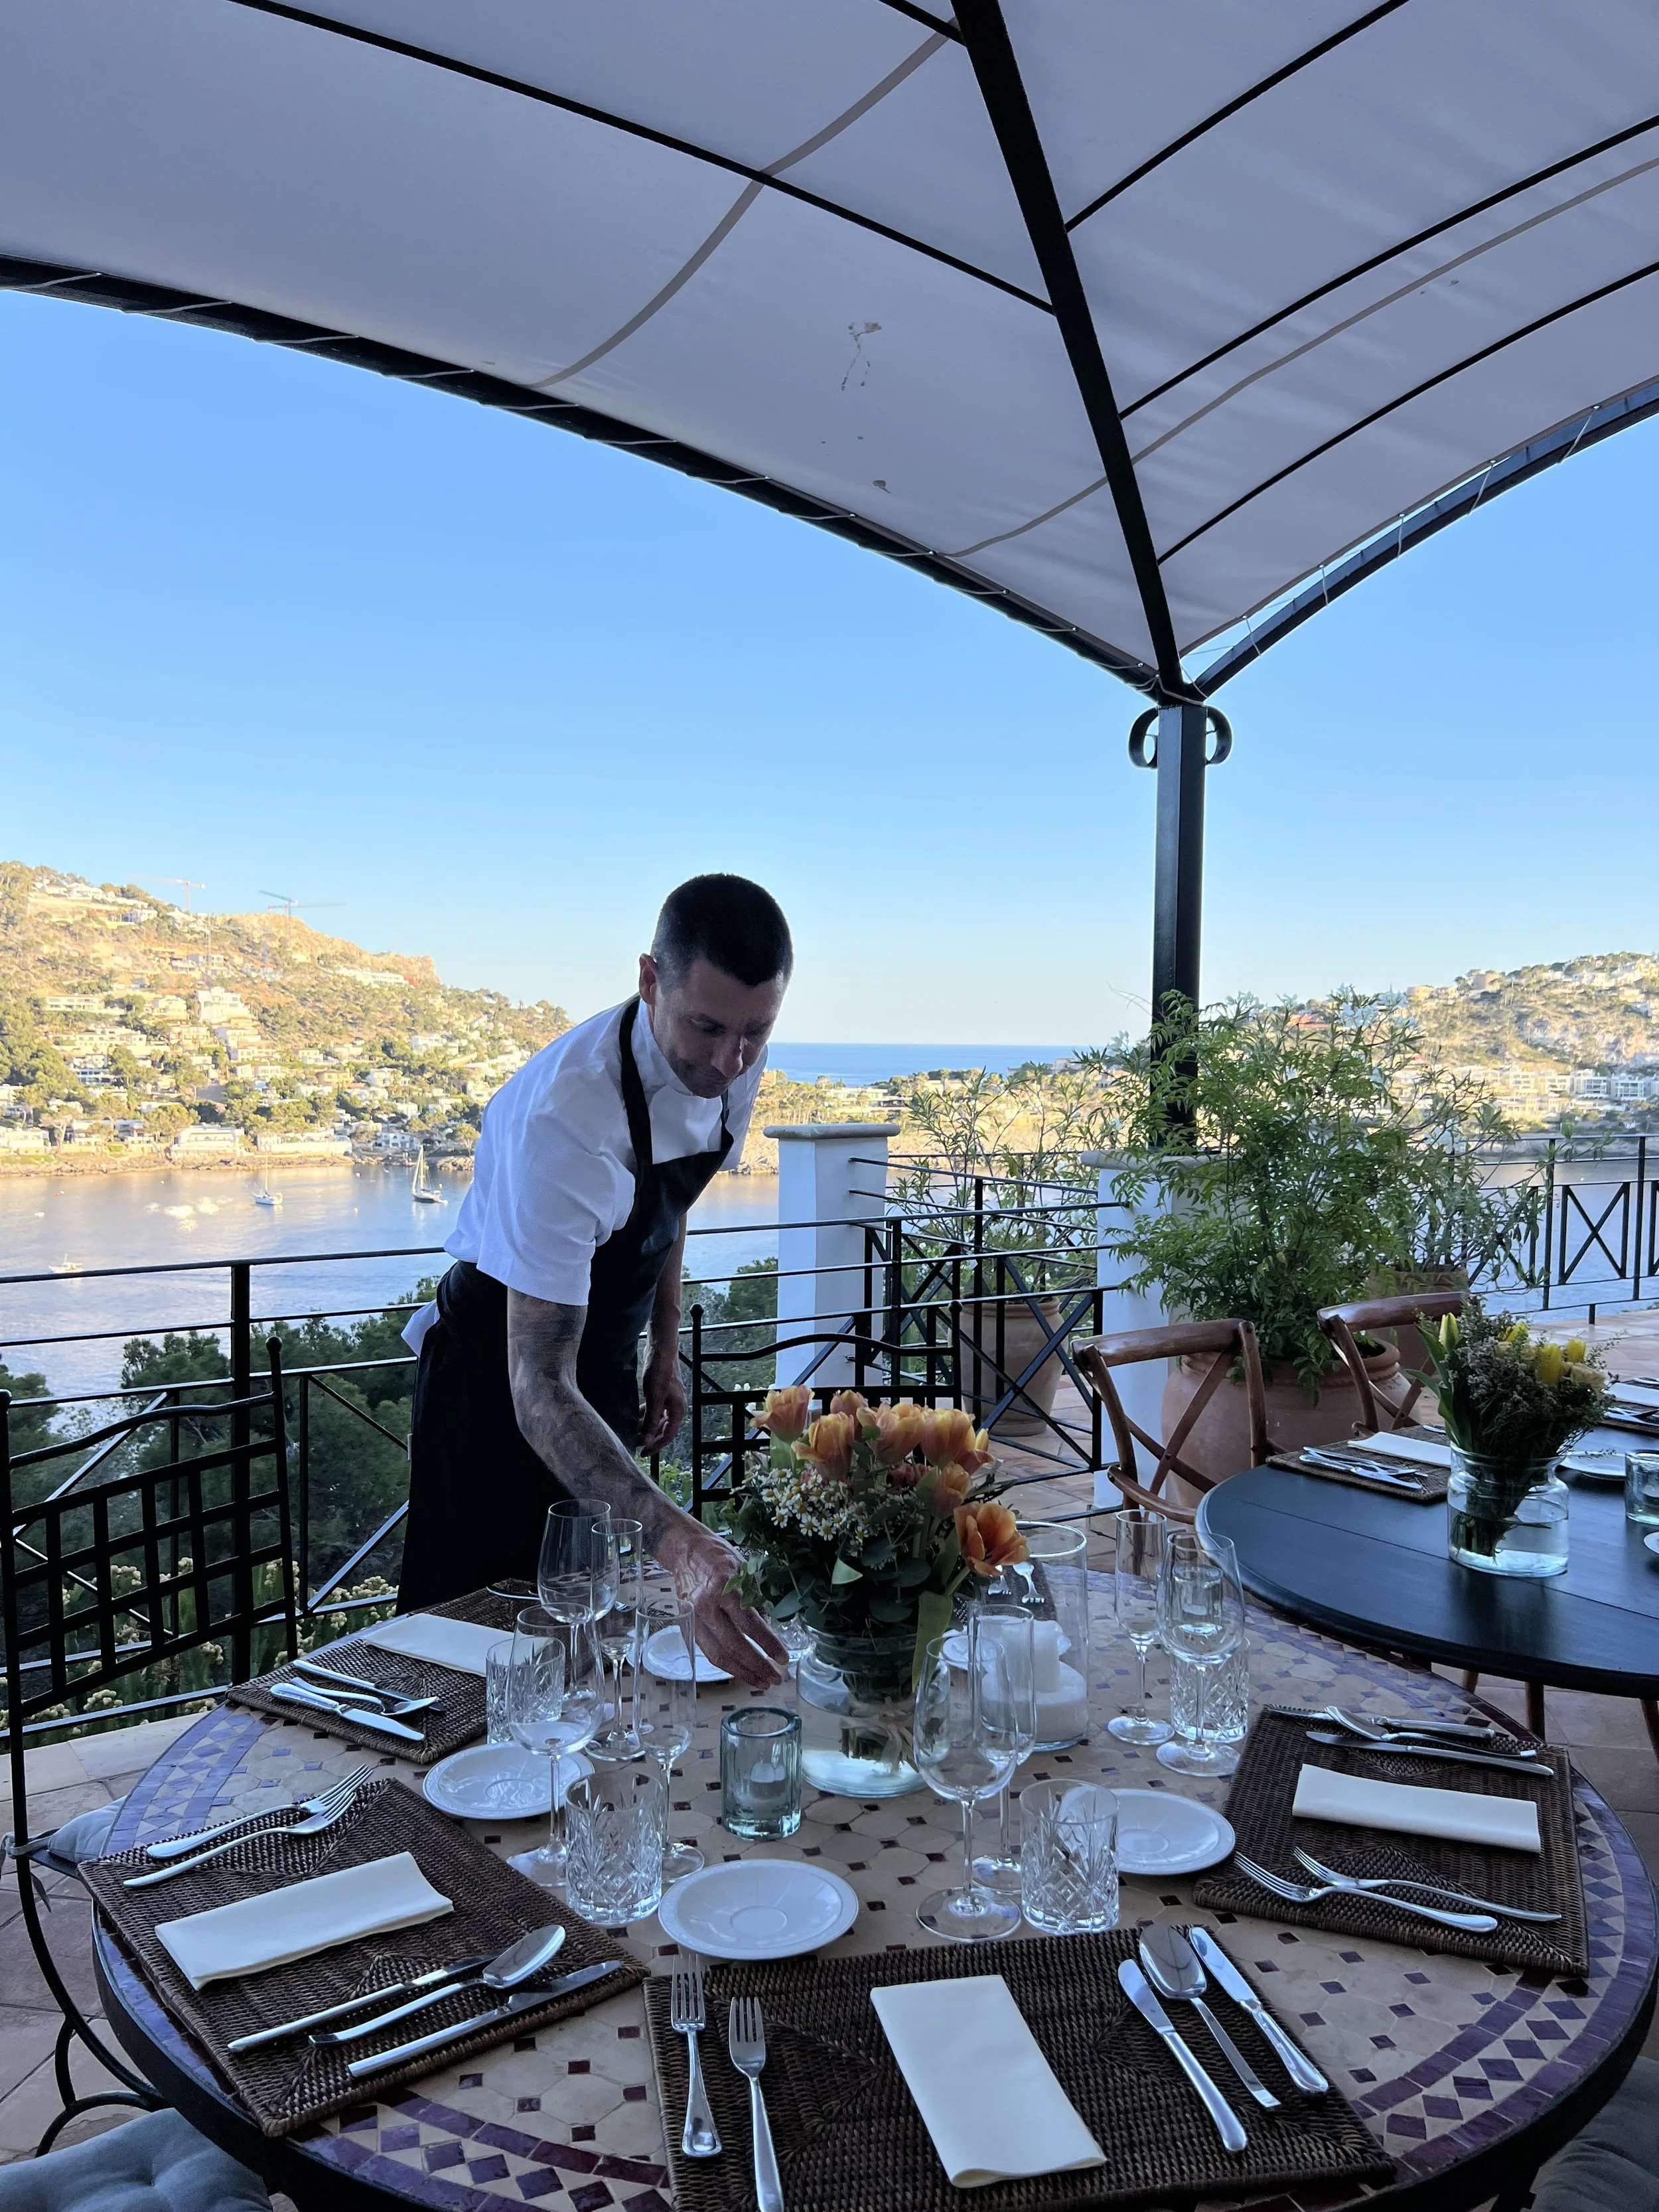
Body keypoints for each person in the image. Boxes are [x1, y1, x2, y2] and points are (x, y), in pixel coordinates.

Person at [399, 874, 790, 1687]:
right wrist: (682, 1540)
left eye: (756, 1031)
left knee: (594, 1628)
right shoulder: (569, 1120)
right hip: (497, 1380)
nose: (731, 1059)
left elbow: (668, 1206)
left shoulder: (730, 1060)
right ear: (650, 980)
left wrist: (663, 1347)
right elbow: (538, 1386)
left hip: (602, 1356)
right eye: (707, 1027)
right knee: (477, 1651)